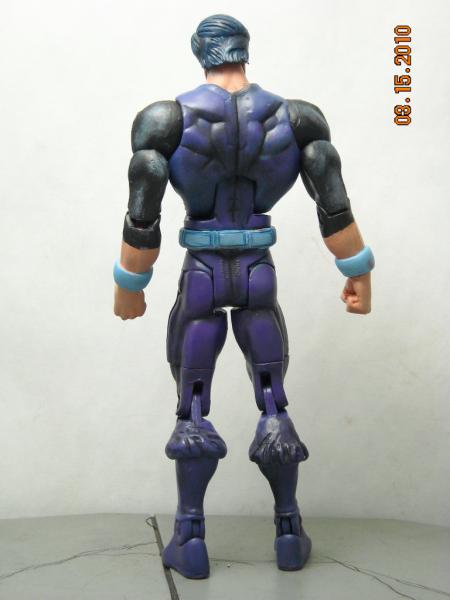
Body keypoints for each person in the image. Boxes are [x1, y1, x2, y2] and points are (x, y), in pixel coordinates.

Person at [113, 14, 373, 579]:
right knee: (273, 400)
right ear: (243, 51)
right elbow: (332, 199)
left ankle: (190, 538)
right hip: (257, 271)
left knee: (193, 402)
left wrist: (130, 287)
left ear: (200, 53)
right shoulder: (294, 120)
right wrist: (359, 271)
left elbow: (144, 207)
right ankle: (289, 531)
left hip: (203, 272)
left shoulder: (167, 120)